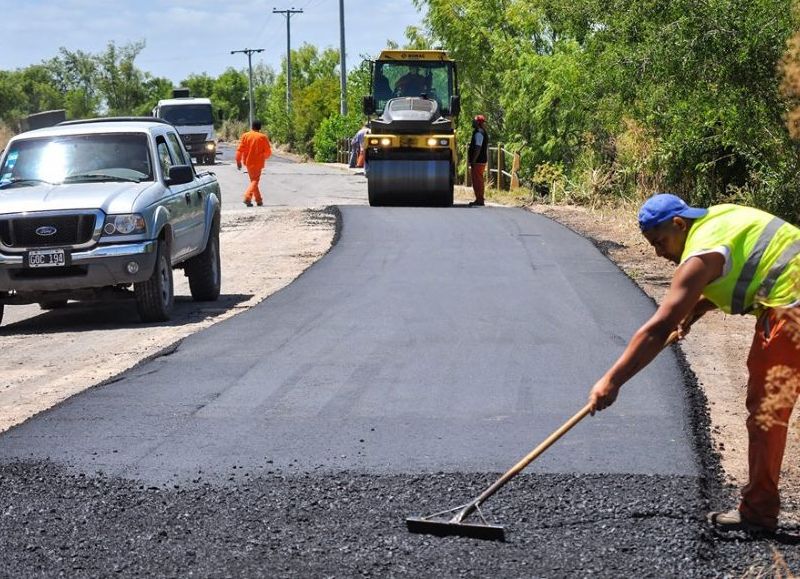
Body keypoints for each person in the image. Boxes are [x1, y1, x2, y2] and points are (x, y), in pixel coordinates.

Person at [588, 193, 800, 534]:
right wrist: (699, 308)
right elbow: (752, 269)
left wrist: (612, 381)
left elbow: (658, 328)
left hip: (791, 312)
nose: (659, 253)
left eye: (660, 242)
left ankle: (759, 512)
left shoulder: (700, 253)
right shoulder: (720, 218)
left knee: (767, 411)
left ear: (678, 224)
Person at [235, 120, 272, 207]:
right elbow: (268, 152)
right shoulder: (263, 137)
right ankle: (247, 197)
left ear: (252, 126)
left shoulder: (245, 136)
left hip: (248, 162)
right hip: (258, 162)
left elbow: (240, 150)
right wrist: (264, 156)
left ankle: (259, 200)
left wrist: (238, 161)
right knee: (255, 181)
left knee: (253, 181)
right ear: (260, 128)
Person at [467, 115, 488, 207]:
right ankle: (479, 199)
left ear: (478, 123)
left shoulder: (479, 133)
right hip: (480, 160)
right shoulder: (481, 132)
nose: (473, 122)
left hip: (478, 161)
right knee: (478, 180)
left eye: (474, 121)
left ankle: (479, 199)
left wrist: (474, 160)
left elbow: (478, 148)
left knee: (477, 181)